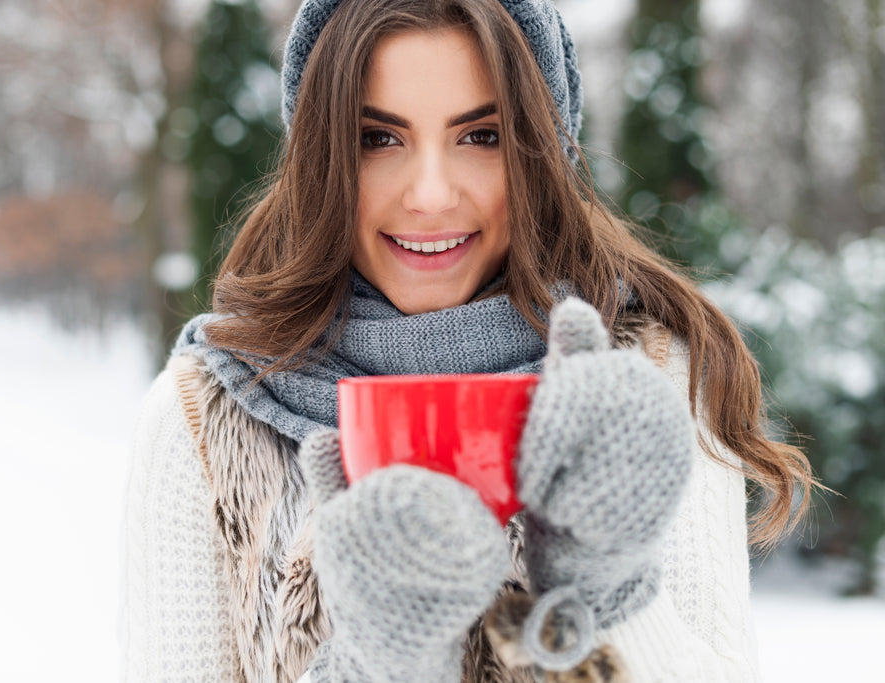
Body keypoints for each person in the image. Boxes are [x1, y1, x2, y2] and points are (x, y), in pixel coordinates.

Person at [121, 0, 815, 681]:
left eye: (481, 136)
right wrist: (375, 665)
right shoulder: (206, 418)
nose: (429, 194)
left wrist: (606, 589)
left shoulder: (649, 380)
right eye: (377, 137)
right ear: (321, 159)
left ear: (541, 153)